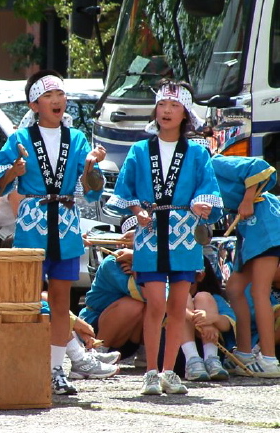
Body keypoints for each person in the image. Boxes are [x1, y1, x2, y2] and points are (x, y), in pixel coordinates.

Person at [0, 70, 107, 395]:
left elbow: (92, 190)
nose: (57, 101)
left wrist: (90, 168)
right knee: (26, 298)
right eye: (48, 96)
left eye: (60, 94)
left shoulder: (77, 139)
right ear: (34, 103)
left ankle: (56, 370)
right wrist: (13, 171)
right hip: (33, 224)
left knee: (59, 300)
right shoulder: (20, 139)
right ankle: (22, 364)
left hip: (66, 222)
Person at [106, 79, 223, 395]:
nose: (167, 111)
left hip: (184, 234)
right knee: (154, 302)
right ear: (155, 110)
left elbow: (209, 189)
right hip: (149, 231)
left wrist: (202, 203)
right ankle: (151, 371)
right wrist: (135, 209)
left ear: (185, 113)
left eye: (174, 105)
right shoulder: (140, 150)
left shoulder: (198, 153)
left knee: (176, 305)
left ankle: (170, 372)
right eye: (162, 104)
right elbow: (124, 191)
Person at [212, 153, 280, 377]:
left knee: (260, 291)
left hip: (264, 220)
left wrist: (248, 198)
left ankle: (269, 359)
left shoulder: (212, 162)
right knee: (234, 288)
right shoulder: (192, 178)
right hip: (249, 228)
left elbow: (260, 166)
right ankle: (244, 352)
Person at [79, 216, 146, 362]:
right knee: (134, 305)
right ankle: (96, 352)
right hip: (95, 328)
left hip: (130, 337)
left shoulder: (152, 262)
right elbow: (145, 295)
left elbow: (162, 297)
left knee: (151, 307)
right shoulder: (113, 262)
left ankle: (144, 351)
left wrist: (140, 266)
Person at [181, 256, 232, 381]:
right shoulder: (167, 293)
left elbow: (227, 325)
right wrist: (193, 317)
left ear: (200, 276)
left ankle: (211, 358)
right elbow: (172, 310)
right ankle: (191, 359)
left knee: (204, 297)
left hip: (210, 346)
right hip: (179, 352)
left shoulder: (213, 297)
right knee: (182, 297)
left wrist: (211, 319)